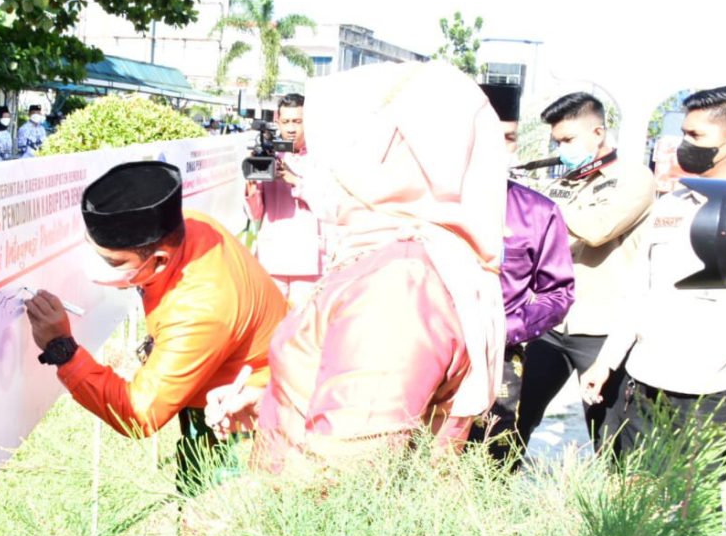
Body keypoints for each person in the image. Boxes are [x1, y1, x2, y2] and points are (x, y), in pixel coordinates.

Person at [206, 61, 508, 474]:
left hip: (307, 530)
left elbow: (346, 471)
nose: (316, 168)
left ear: (374, 158)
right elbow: (366, 404)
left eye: (329, 149)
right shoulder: (399, 255)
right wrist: (275, 399)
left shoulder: (400, 285)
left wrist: (227, 514)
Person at [23, 161, 288, 491]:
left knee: (212, 509)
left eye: (113, 262)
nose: (99, 267)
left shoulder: (199, 311)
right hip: (226, 383)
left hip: (239, 412)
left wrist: (61, 348)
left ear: (159, 260)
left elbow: (137, 415)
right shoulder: (192, 225)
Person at [579, 86, 726, 457]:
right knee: (635, 496)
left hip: (710, 395)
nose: (683, 143)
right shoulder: (671, 204)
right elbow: (639, 292)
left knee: (691, 506)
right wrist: (605, 362)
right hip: (643, 384)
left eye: (696, 135)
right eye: (683, 132)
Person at [514, 92, 655, 455]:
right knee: (515, 419)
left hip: (601, 328)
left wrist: (541, 207)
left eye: (568, 140)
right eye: (557, 141)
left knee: (610, 437)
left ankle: (616, 507)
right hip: (550, 323)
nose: (561, 148)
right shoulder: (565, 182)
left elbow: (597, 229)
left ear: (598, 132)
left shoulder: (634, 179)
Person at [468, 83, 576, 464]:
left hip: (499, 361)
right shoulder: (425, 205)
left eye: (509, 138)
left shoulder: (538, 212)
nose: (498, 148)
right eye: (487, 137)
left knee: (491, 464)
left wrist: (504, 328)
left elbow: (558, 293)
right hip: (427, 354)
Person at [244, 93, 324, 306]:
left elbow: (330, 206)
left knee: (302, 331)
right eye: (286, 122)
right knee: (271, 332)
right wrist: (252, 188)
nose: (291, 128)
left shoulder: (322, 158)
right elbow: (256, 215)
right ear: (277, 123)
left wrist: (295, 180)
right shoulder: (269, 156)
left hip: (309, 263)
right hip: (271, 260)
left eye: (297, 122)